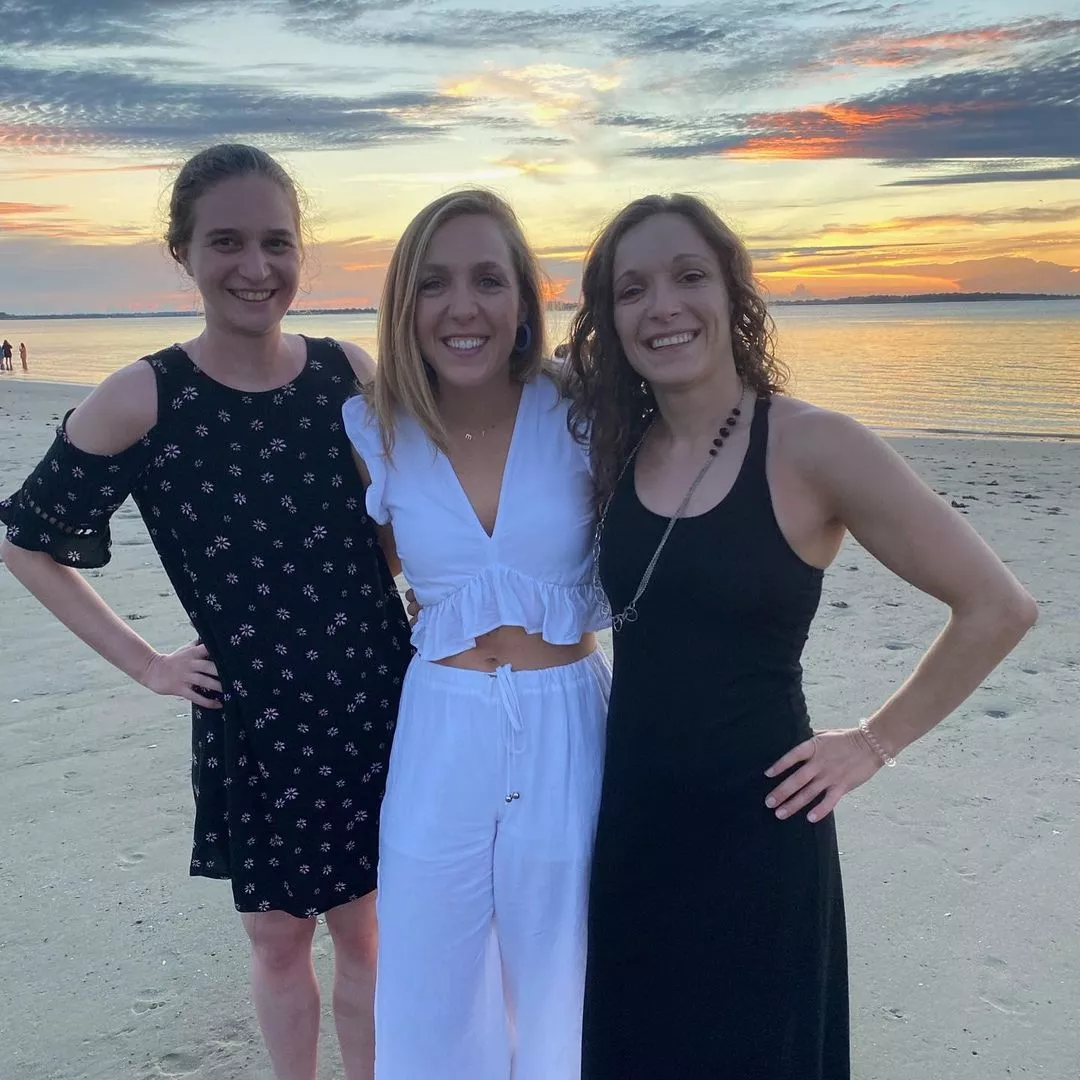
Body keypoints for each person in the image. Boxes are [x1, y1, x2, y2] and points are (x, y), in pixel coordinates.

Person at [563, 194, 1038, 1079]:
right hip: (629, 825)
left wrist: (873, 742)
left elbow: (998, 606)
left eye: (688, 276)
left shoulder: (816, 445)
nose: (662, 305)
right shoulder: (614, 442)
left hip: (760, 834)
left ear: (734, 294)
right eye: (632, 289)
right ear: (609, 318)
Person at [0, 144, 411, 1080]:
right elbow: (25, 538)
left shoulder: (347, 372)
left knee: (368, 932)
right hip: (254, 714)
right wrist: (145, 661)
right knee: (275, 941)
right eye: (226, 241)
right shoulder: (146, 395)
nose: (255, 267)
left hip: (373, 695)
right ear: (181, 251)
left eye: (276, 242)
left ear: (303, 252)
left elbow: (406, 516)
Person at [342, 189, 610, 1080]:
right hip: (440, 723)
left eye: (488, 280)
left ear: (525, 299)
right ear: (401, 304)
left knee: (562, 964)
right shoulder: (375, 425)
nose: (463, 307)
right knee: (428, 966)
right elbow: (359, 575)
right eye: (434, 283)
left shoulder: (585, 412)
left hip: (568, 718)